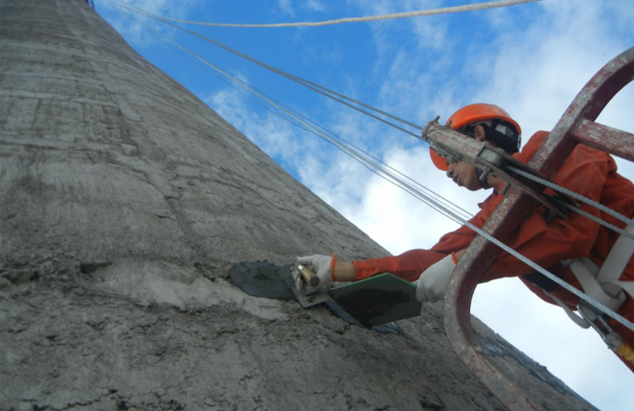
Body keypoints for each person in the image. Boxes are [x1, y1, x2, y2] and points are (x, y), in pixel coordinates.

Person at [296, 103, 634, 371]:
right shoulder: (494, 217)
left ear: (476, 135)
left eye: (449, 158)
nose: (448, 173)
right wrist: (341, 270)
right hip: (621, 329)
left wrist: (465, 264)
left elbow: (571, 231)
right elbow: (430, 259)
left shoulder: (555, 148)